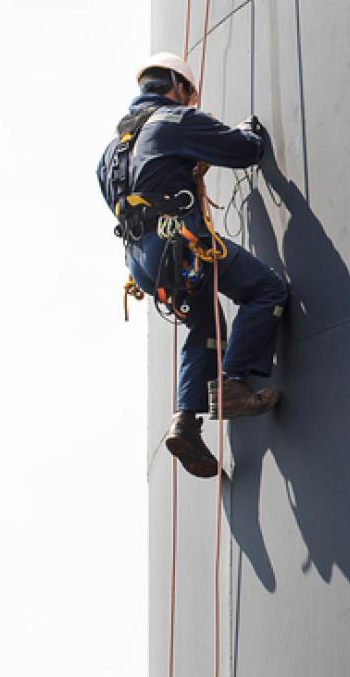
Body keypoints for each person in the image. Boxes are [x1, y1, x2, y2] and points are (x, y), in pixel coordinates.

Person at [97, 52, 287, 479]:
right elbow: (244, 151)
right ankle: (233, 384)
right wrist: (248, 133)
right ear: (176, 86)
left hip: (147, 265)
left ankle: (186, 420)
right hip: (182, 247)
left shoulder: (110, 153)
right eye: (189, 94)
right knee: (266, 290)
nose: (191, 102)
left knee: (207, 327)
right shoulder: (172, 121)